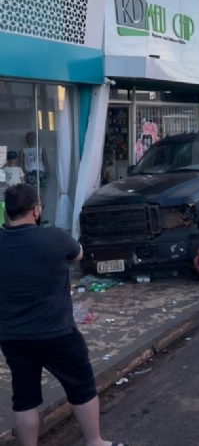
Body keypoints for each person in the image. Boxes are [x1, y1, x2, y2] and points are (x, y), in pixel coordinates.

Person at [0, 184, 127, 446]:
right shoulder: (55, 238)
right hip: (57, 332)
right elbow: (78, 254)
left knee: (24, 397)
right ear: (36, 210)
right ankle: (94, 441)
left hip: (12, 335)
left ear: (7, 212)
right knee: (82, 387)